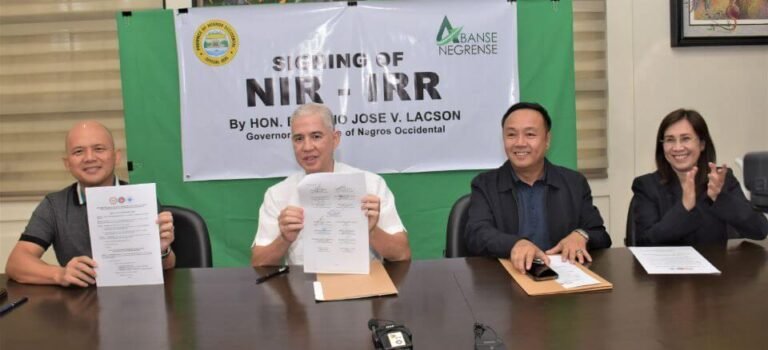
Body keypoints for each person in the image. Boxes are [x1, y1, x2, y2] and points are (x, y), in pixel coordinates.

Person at [5, 121, 176, 287]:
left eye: (99, 149)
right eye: (78, 151)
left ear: (116, 157)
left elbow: (168, 266)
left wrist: (161, 251)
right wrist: (60, 274)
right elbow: (16, 263)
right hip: (79, 304)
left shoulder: (141, 199)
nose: (89, 158)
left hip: (138, 299)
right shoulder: (54, 206)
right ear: (67, 163)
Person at [251, 103, 411, 266]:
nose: (307, 147)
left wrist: (370, 230)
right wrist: (284, 239)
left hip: (363, 286)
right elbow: (258, 263)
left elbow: (402, 254)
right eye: (299, 138)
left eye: (316, 136)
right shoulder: (277, 194)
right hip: (304, 287)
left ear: (335, 139)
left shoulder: (370, 184)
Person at [465, 102, 611, 273]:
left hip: (563, 280)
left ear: (547, 140)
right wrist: (514, 244)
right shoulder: (485, 184)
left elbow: (600, 235)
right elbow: (476, 234)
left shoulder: (574, 183)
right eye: (511, 135)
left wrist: (581, 236)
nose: (520, 143)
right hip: (506, 279)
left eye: (530, 134)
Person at [631, 109, 768, 245]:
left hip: (717, 265)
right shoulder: (646, 185)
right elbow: (644, 243)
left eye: (685, 139)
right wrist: (684, 208)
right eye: (670, 140)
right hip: (667, 266)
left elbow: (760, 230)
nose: (677, 147)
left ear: (702, 144)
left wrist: (719, 198)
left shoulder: (721, 179)